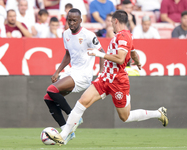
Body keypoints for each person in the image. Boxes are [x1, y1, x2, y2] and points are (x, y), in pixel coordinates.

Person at [45, 10, 169, 146]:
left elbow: (121, 59)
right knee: (82, 102)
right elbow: (133, 52)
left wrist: (99, 54)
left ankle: (158, 113)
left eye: (111, 22)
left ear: (116, 21)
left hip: (118, 82)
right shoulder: (126, 36)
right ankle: (63, 135)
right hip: (105, 78)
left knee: (125, 117)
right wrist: (138, 62)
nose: (111, 25)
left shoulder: (123, 36)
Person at [43, 8, 105, 142]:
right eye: (69, 20)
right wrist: (58, 71)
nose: (71, 23)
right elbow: (68, 55)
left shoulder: (88, 35)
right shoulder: (65, 34)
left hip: (83, 75)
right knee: (48, 98)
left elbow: (102, 53)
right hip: (72, 71)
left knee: (51, 89)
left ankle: (74, 116)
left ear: (80, 21)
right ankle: (67, 129)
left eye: (74, 20)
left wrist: (101, 74)